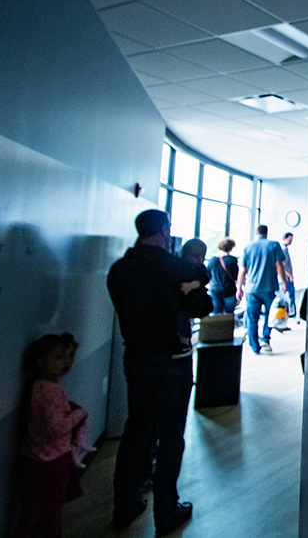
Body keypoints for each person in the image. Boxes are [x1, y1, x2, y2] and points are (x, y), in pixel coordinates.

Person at [106, 210, 210, 536]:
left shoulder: (119, 270)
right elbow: (202, 307)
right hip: (173, 362)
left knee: (135, 432)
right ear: (165, 230)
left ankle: (125, 506)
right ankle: (166, 512)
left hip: (135, 358)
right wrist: (191, 286)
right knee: (170, 436)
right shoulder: (175, 268)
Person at [14, 333, 93, 538]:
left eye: (66, 356)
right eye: (58, 357)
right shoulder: (52, 390)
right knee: (53, 512)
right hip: (53, 462)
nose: (65, 362)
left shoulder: (35, 386)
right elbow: (57, 427)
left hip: (30, 458)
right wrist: (79, 414)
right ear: (41, 362)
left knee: (29, 512)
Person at [236, 225, 287, 354]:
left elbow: (242, 270)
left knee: (252, 318)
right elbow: (279, 265)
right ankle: (265, 339)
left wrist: (239, 288)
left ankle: (254, 346)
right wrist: (284, 282)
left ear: (256, 233)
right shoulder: (274, 245)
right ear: (266, 233)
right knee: (270, 316)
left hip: (252, 289)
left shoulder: (247, 247)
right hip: (270, 287)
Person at [206, 238, 239, 317]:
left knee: (216, 315)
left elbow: (208, 275)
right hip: (229, 291)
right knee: (229, 315)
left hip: (215, 290)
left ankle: (216, 329)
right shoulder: (232, 260)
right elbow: (235, 276)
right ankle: (228, 329)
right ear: (231, 248)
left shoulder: (212, 260)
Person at [280, 232, 297, 320]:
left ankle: (290, 313)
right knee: (288, 296)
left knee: (290, 295)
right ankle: (289, 313)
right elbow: (282, 265)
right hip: (286, 278)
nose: (290, 242)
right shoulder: (282, 250)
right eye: (289, 240)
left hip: (287, 277)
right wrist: (289, 275)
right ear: (284, 238)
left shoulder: (285, 250)